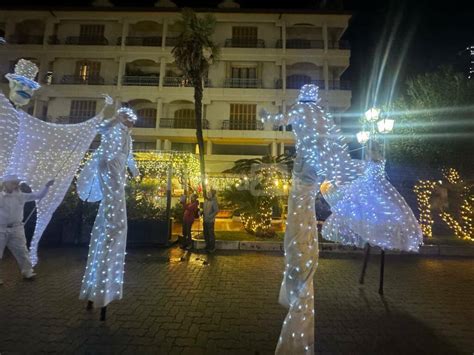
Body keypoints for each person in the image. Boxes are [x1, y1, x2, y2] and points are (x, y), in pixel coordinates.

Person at [77, 106, 139, 309]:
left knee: (115, 202)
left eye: (132, 121)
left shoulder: (128, 137)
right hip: (109, 164)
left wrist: (135, 171)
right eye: (129, 119)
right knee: (114, 207)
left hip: (119, 167)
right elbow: (101, 129)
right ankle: (114, 224)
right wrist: (115, 118)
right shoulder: (113, 128)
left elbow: (129, 156)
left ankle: (113, 223)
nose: (131, 123)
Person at [321, 140, 423, 252]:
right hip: (380, 187)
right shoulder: (381, 158)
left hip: (369, 186)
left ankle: (372, 237)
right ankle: (377, 237)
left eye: (367, 147)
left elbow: (360, 167)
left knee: (363, 209)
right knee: (379, 211)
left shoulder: (370, 158)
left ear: (369, 148)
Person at [0, 175, 54, 284]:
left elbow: (39, 195)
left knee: (22, 251)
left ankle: (27, 271)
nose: (15, 185)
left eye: (16, 183)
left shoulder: (21, 196)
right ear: (5, 183)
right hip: (1, 229)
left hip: (17, 228)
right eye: (12, 182)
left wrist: (46, 186)